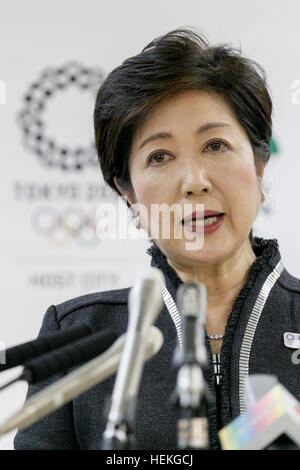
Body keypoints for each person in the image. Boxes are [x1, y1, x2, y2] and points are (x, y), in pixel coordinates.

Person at [14, 28, 300, 450]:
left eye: (216, 145)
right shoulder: (79, 337)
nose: (194, 182)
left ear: (259, 165)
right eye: (159, 156)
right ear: (128, 192)